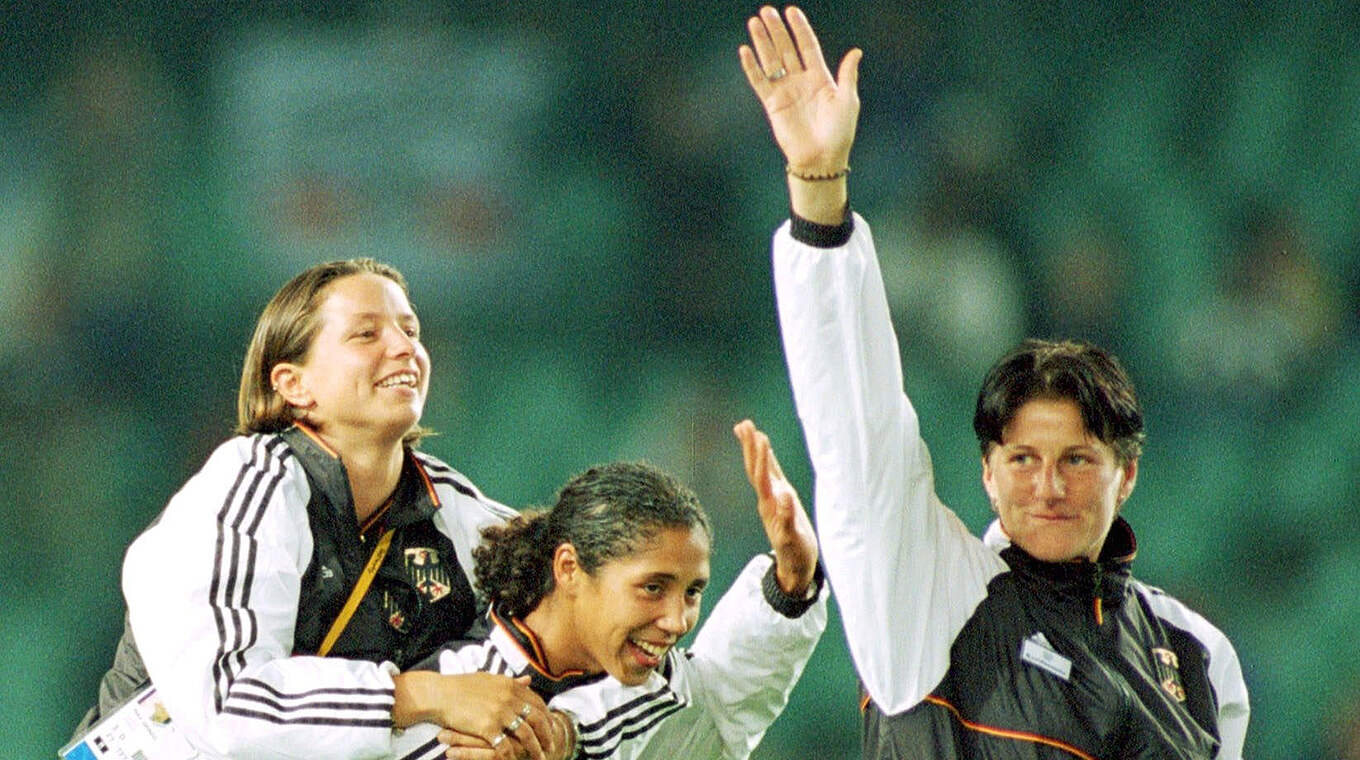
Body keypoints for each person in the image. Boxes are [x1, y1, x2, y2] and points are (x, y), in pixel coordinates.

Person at [739, 6, 1250, 759]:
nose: (1048, 486)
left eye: (1077, 459)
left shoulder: (1199, 654)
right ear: (986, 472)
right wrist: (819, 191)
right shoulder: (930, 597)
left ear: (1127, 473)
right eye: (1022, 460)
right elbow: (860, 435)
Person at [73, 258, 568, 760]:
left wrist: (552, 737)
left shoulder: (452, 510)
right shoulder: (248, 484)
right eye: (366, 334)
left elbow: (586, 607)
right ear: (294, 385)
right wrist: (429, 696)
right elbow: (228, 705)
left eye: (410, 329)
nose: (405, 348)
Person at [390, 422, 827, 760]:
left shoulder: (648, 682)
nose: (677, 622)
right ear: (569, 569)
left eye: (693, 592)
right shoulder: (464, 703)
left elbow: (720, 710)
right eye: (652, 588)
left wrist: (793, 579)